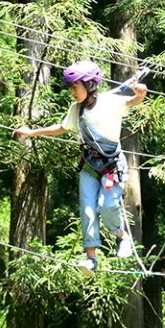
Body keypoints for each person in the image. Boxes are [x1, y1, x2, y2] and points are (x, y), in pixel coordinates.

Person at [15, 60, 148, 274]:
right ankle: (91, 259)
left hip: (111, 166)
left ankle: (122, 238)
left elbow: (134, 101)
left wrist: (141, 93)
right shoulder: (76, 110)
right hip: (89, 165)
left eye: (75, 86)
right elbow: (61, 128)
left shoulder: (110, 101)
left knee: (106, 205)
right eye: (70, 87)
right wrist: (32, 133)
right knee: (87, 210)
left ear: (89, 84)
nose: (72, 92)